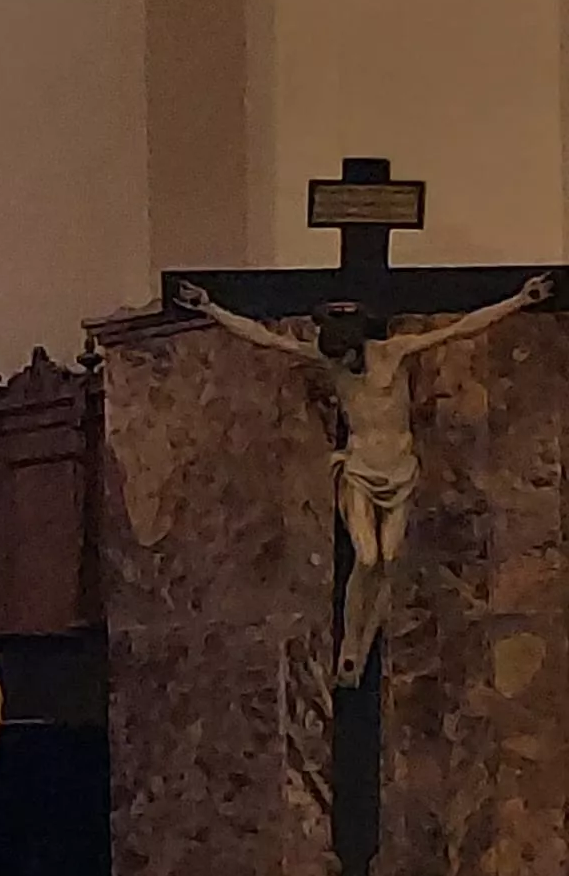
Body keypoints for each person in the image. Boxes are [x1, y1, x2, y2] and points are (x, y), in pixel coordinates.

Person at [176, 273, 554, 687]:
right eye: (335, 360)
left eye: (347, 358)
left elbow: (462, 328)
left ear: (358, 345)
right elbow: (264, 338)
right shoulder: (329, 361)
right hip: (359, 468)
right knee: (368, 557)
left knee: (391, 561)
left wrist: (519, 299)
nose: (342, 367)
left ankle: (366, 637)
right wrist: (210, 308)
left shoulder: (394, 353)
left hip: (399, 470)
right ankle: (350, 645)